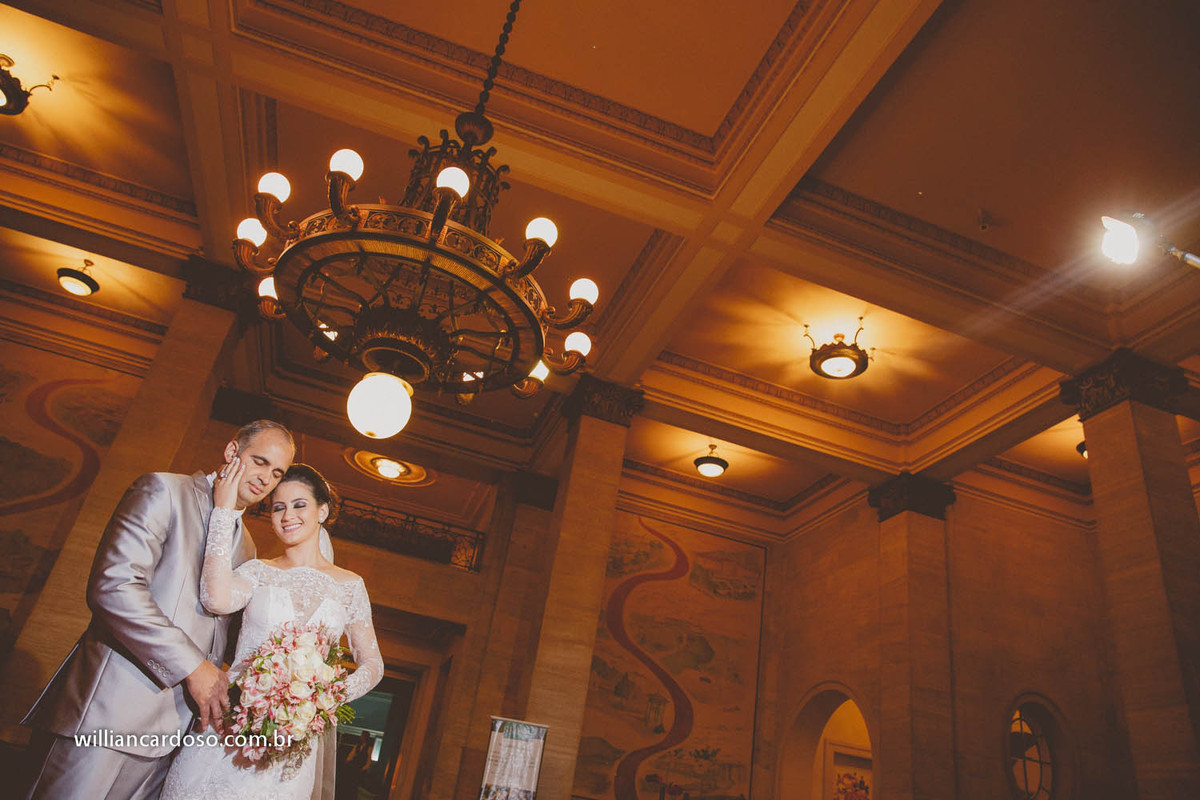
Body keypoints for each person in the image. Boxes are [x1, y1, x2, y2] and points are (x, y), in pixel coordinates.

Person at [21, 420, 296, 799]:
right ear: (232, 452)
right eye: (260, 461)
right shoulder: (164, 490)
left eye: (277, 472)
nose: (266, 478)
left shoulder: (246, 546)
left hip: (175, 736)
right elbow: (114, 588)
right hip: (107, 713)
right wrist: (193, 666)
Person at [161, 463, 383, 800]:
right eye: (278, 507)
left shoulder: (350, 586)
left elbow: (372, 664)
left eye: (299, 505)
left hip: (291, 745)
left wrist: (319, 699)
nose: (287, 516)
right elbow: (215, 598)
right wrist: (223, 513)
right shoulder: (257, 572)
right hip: (229, 730)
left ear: (322, 511)